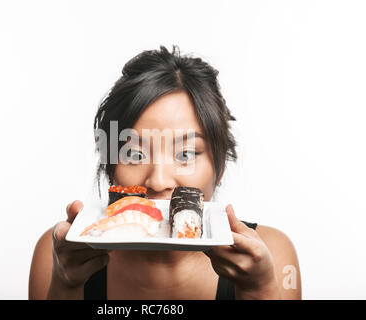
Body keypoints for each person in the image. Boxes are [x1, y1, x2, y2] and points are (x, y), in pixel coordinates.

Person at [28, 45, 302, 300]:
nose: (158, 181)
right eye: (134, 154)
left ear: (219, 166)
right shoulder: (56, 256)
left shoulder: (273, 255)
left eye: (186, 154)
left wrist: (260, 289)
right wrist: (66, 286)